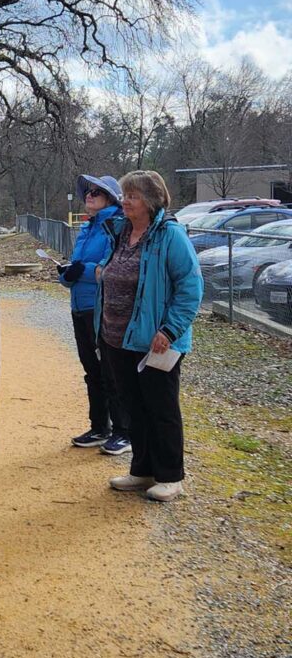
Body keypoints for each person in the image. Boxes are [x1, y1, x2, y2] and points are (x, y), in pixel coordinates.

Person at [97, 171, 203, 503]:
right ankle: (142, 470)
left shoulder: (170, 235)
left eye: (133, 196)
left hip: (156, 341)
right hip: (117, 338)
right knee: (133, 408)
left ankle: (171, 476)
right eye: (125, 195)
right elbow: (115, 268)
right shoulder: (120, 231)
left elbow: (190, 287)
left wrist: (170, 329)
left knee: (161, 408)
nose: (125, 201)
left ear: (152, 201)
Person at [58, 174, 130, 455]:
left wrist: (82, 272)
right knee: (92, 369)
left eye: (97, 192)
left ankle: (124, 431)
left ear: (110, 198)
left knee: (111, 370)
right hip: (80, 306)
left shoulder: (117, 225)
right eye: (88, 192)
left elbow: (112, 267)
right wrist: (66, 274)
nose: (90, 196)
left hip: (103, 307)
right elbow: (77, 267)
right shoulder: (87, 228)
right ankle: (100, 427)